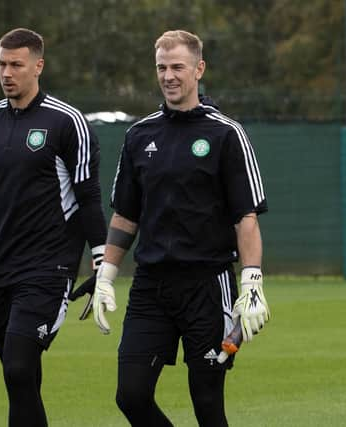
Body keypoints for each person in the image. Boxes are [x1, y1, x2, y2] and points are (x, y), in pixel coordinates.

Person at [89, 29, 269, 426]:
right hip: (151, 287)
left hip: (207, 285)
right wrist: (106, 274)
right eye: (161, 67)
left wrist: (252, 281)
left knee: (207, 403)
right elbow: (125, 216)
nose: (168, 76)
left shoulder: (226, 133)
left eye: (177, 67)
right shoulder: (139, 135)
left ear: (198, 69)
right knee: (131, 396)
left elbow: (246, 217)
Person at [0, 28, 107, 427]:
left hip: (47, 270)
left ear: (38, 66)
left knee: (18, 367)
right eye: (2, 63)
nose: (7, 72)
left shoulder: (68, 123)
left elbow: (89, 200)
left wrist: (103, 263)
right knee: (20, 374)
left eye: (16, 64)